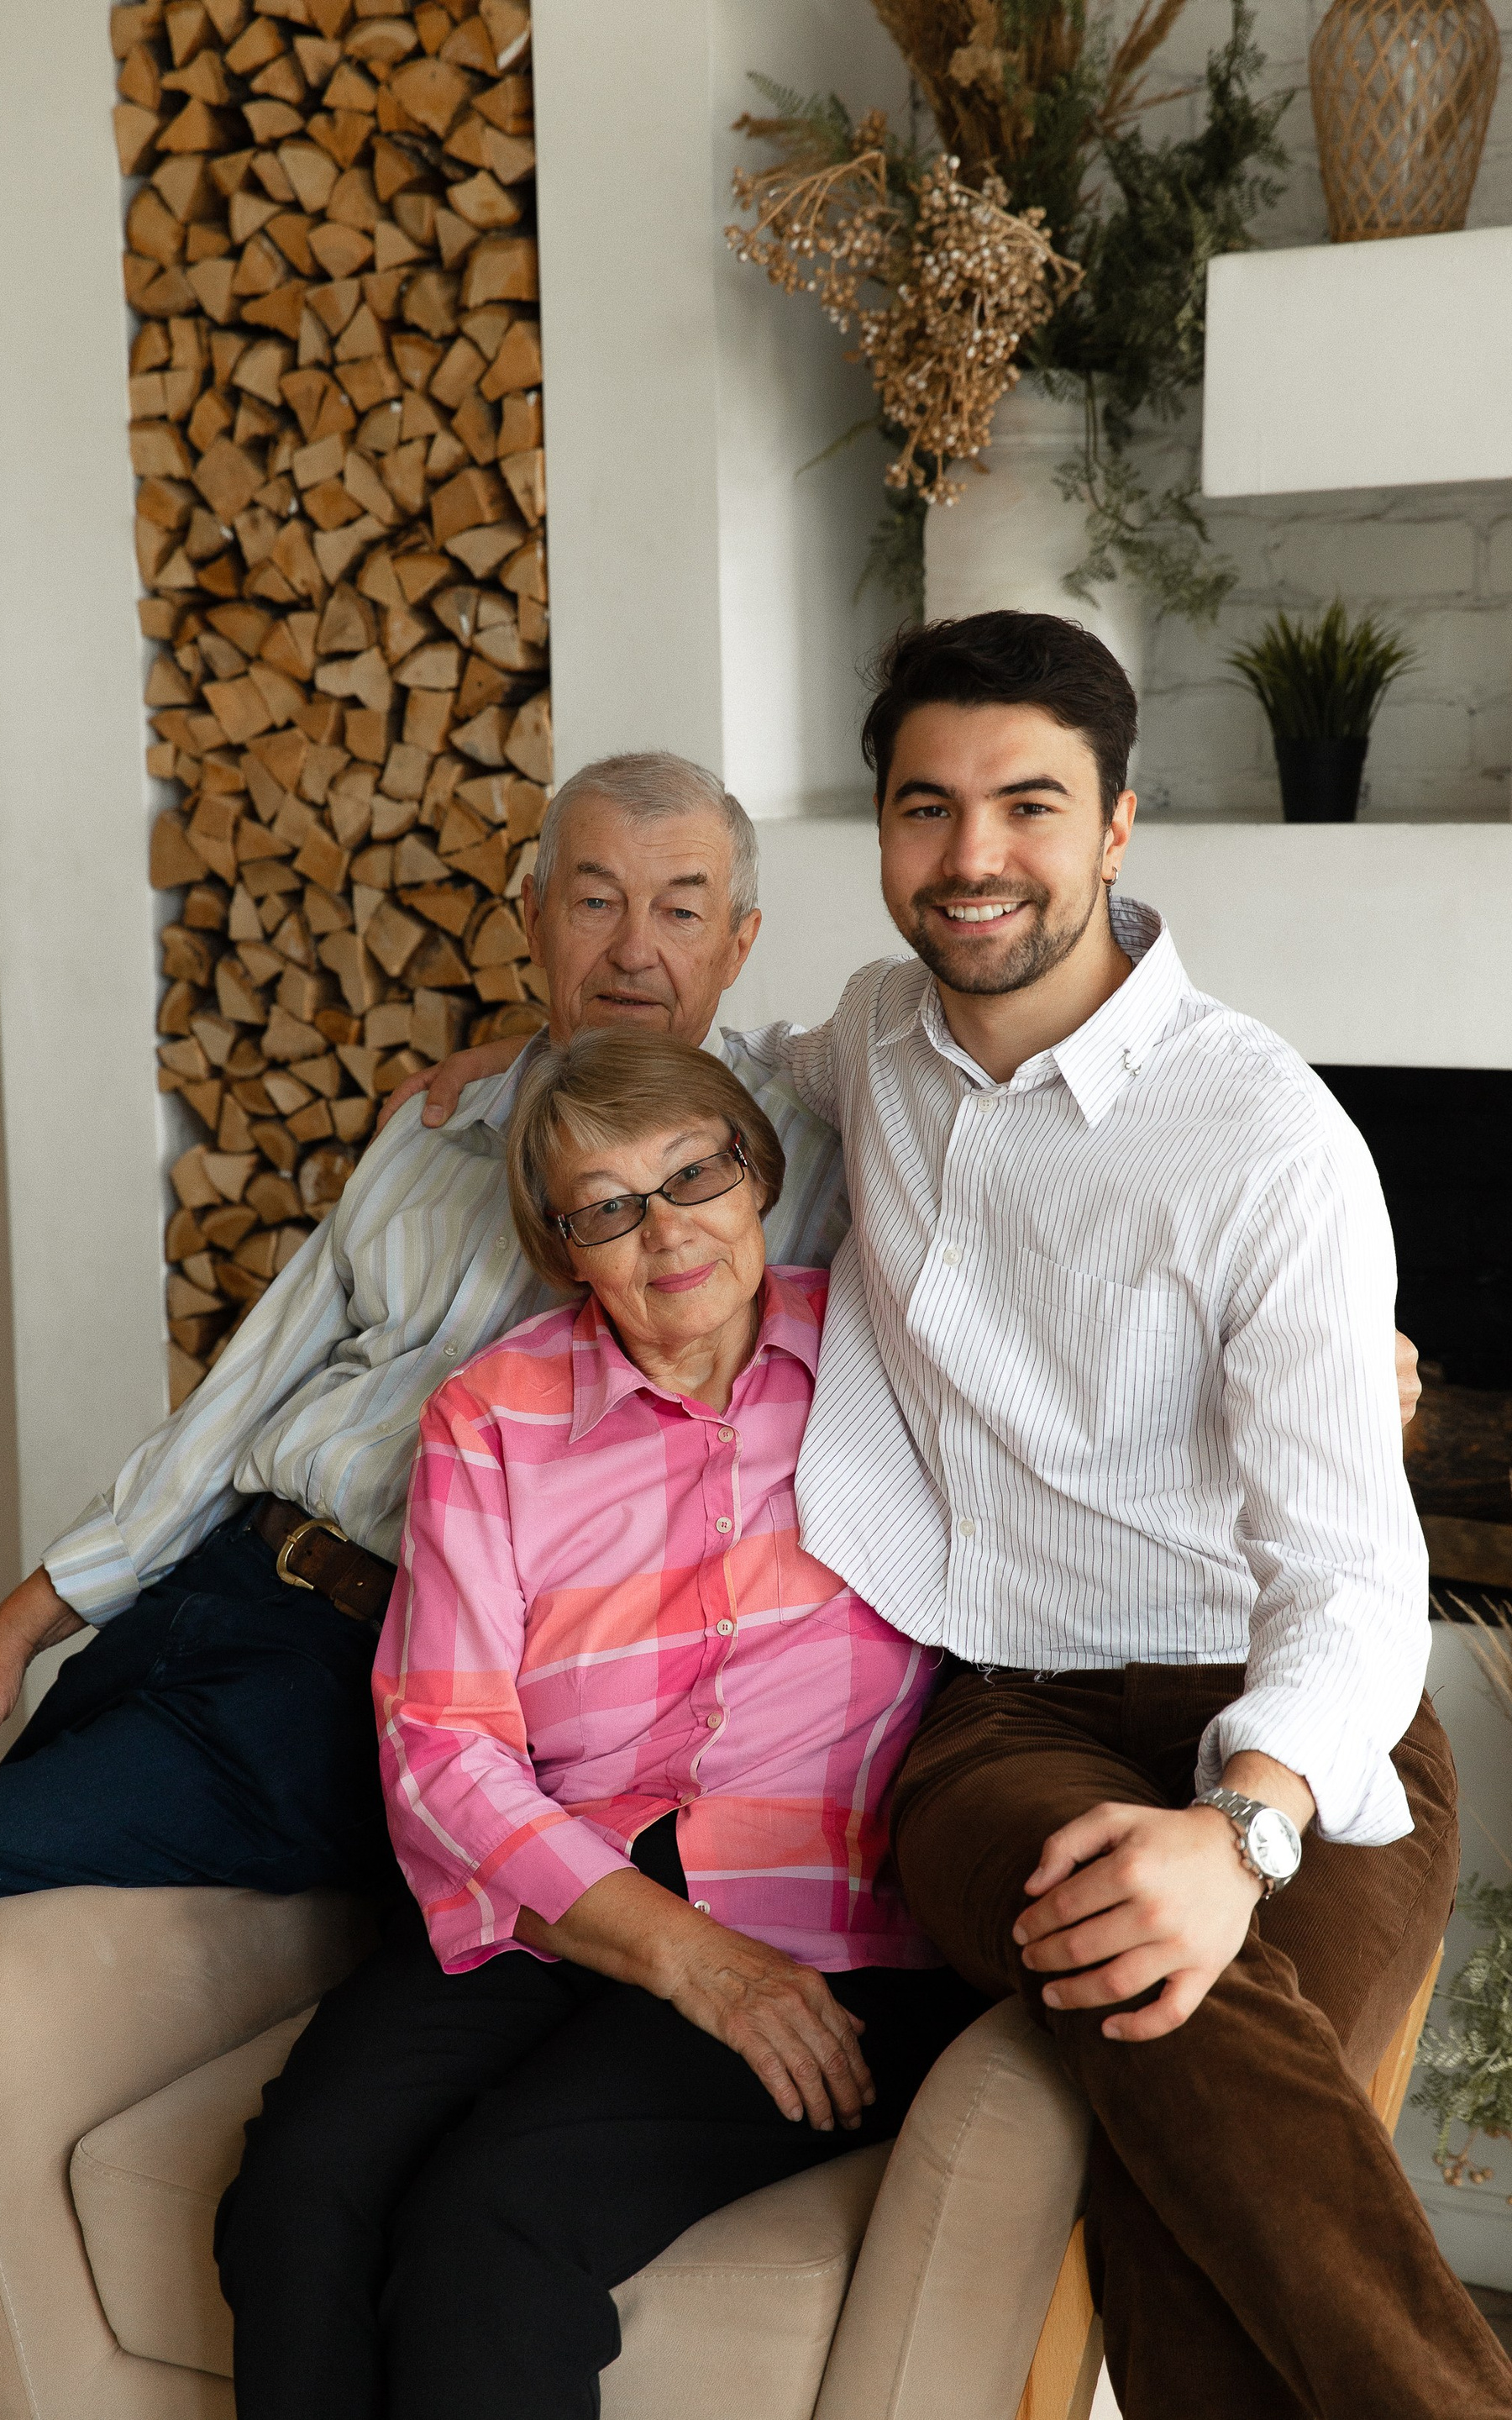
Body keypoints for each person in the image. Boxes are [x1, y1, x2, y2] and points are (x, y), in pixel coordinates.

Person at [412, 613, 1488, 2418]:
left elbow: (1358, 1581)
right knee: (1143, 1989)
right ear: (886, 833)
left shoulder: (1269, 1140)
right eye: (928, 807)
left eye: (1029, 805)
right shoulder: (871, 1041)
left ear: (1119, 826)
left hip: (1297, 1718)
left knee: (1177, 2104)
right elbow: (708, 1085)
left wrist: (1239, 1832)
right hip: (1005, 1723)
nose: (973, 855)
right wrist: (509, 1071)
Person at [0, 754, 848, 2256]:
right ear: (529, 918)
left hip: (365, 1677)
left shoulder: (780, 1165)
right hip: (213, 1593)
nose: (635, 950)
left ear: (741, 943)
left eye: (683, 910)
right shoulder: (438, 1130)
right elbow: (240, 1400)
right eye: (594, 902)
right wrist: (19, 1625)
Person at [215, 1031, 978, 2420]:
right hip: (560, 1901)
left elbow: (1103, 1410)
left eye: (695, 1175)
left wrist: (1343, 1369)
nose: (667, 1230)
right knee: (297, 2194)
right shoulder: (493, 1416)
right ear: (565, 1248)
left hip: (817, 1922)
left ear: (759, 1175)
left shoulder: (889, 1356)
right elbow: (442, 1742)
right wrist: (684, 1956)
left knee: (490, 2232)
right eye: (608, 1206)